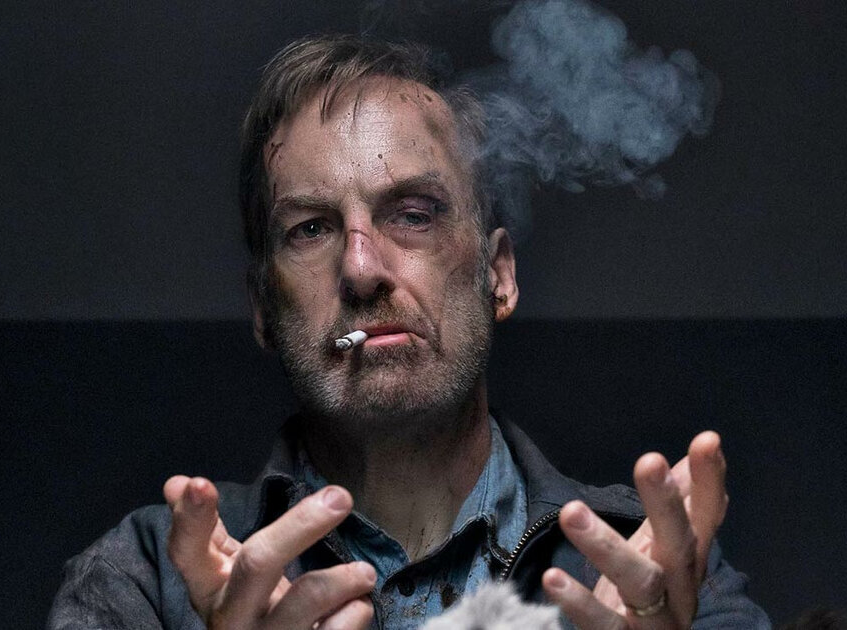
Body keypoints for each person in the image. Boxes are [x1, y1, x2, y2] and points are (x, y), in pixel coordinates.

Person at [48, 35, 770, 629]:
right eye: (311, 228)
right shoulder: (146, 580)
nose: (361, 269)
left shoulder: (655, 569)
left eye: (413, 215)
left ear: (498, 276)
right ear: (264, 308)